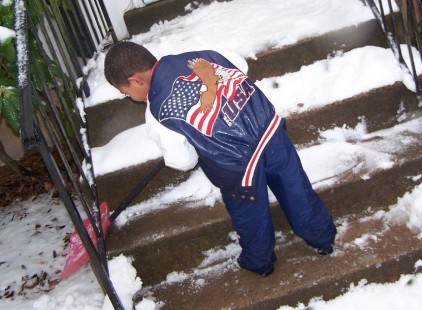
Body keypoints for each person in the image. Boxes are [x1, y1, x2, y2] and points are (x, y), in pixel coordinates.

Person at [104, 41, 336, 277]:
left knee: (251, 217)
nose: (130, 97)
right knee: (296, 190)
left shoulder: (157, 113)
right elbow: (240, 65)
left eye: (126, 93)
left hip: (238, 168)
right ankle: (323, 238)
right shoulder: (199, 55)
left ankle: (259, 262)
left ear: (135, 80)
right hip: (270, 132)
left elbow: (183, 161)